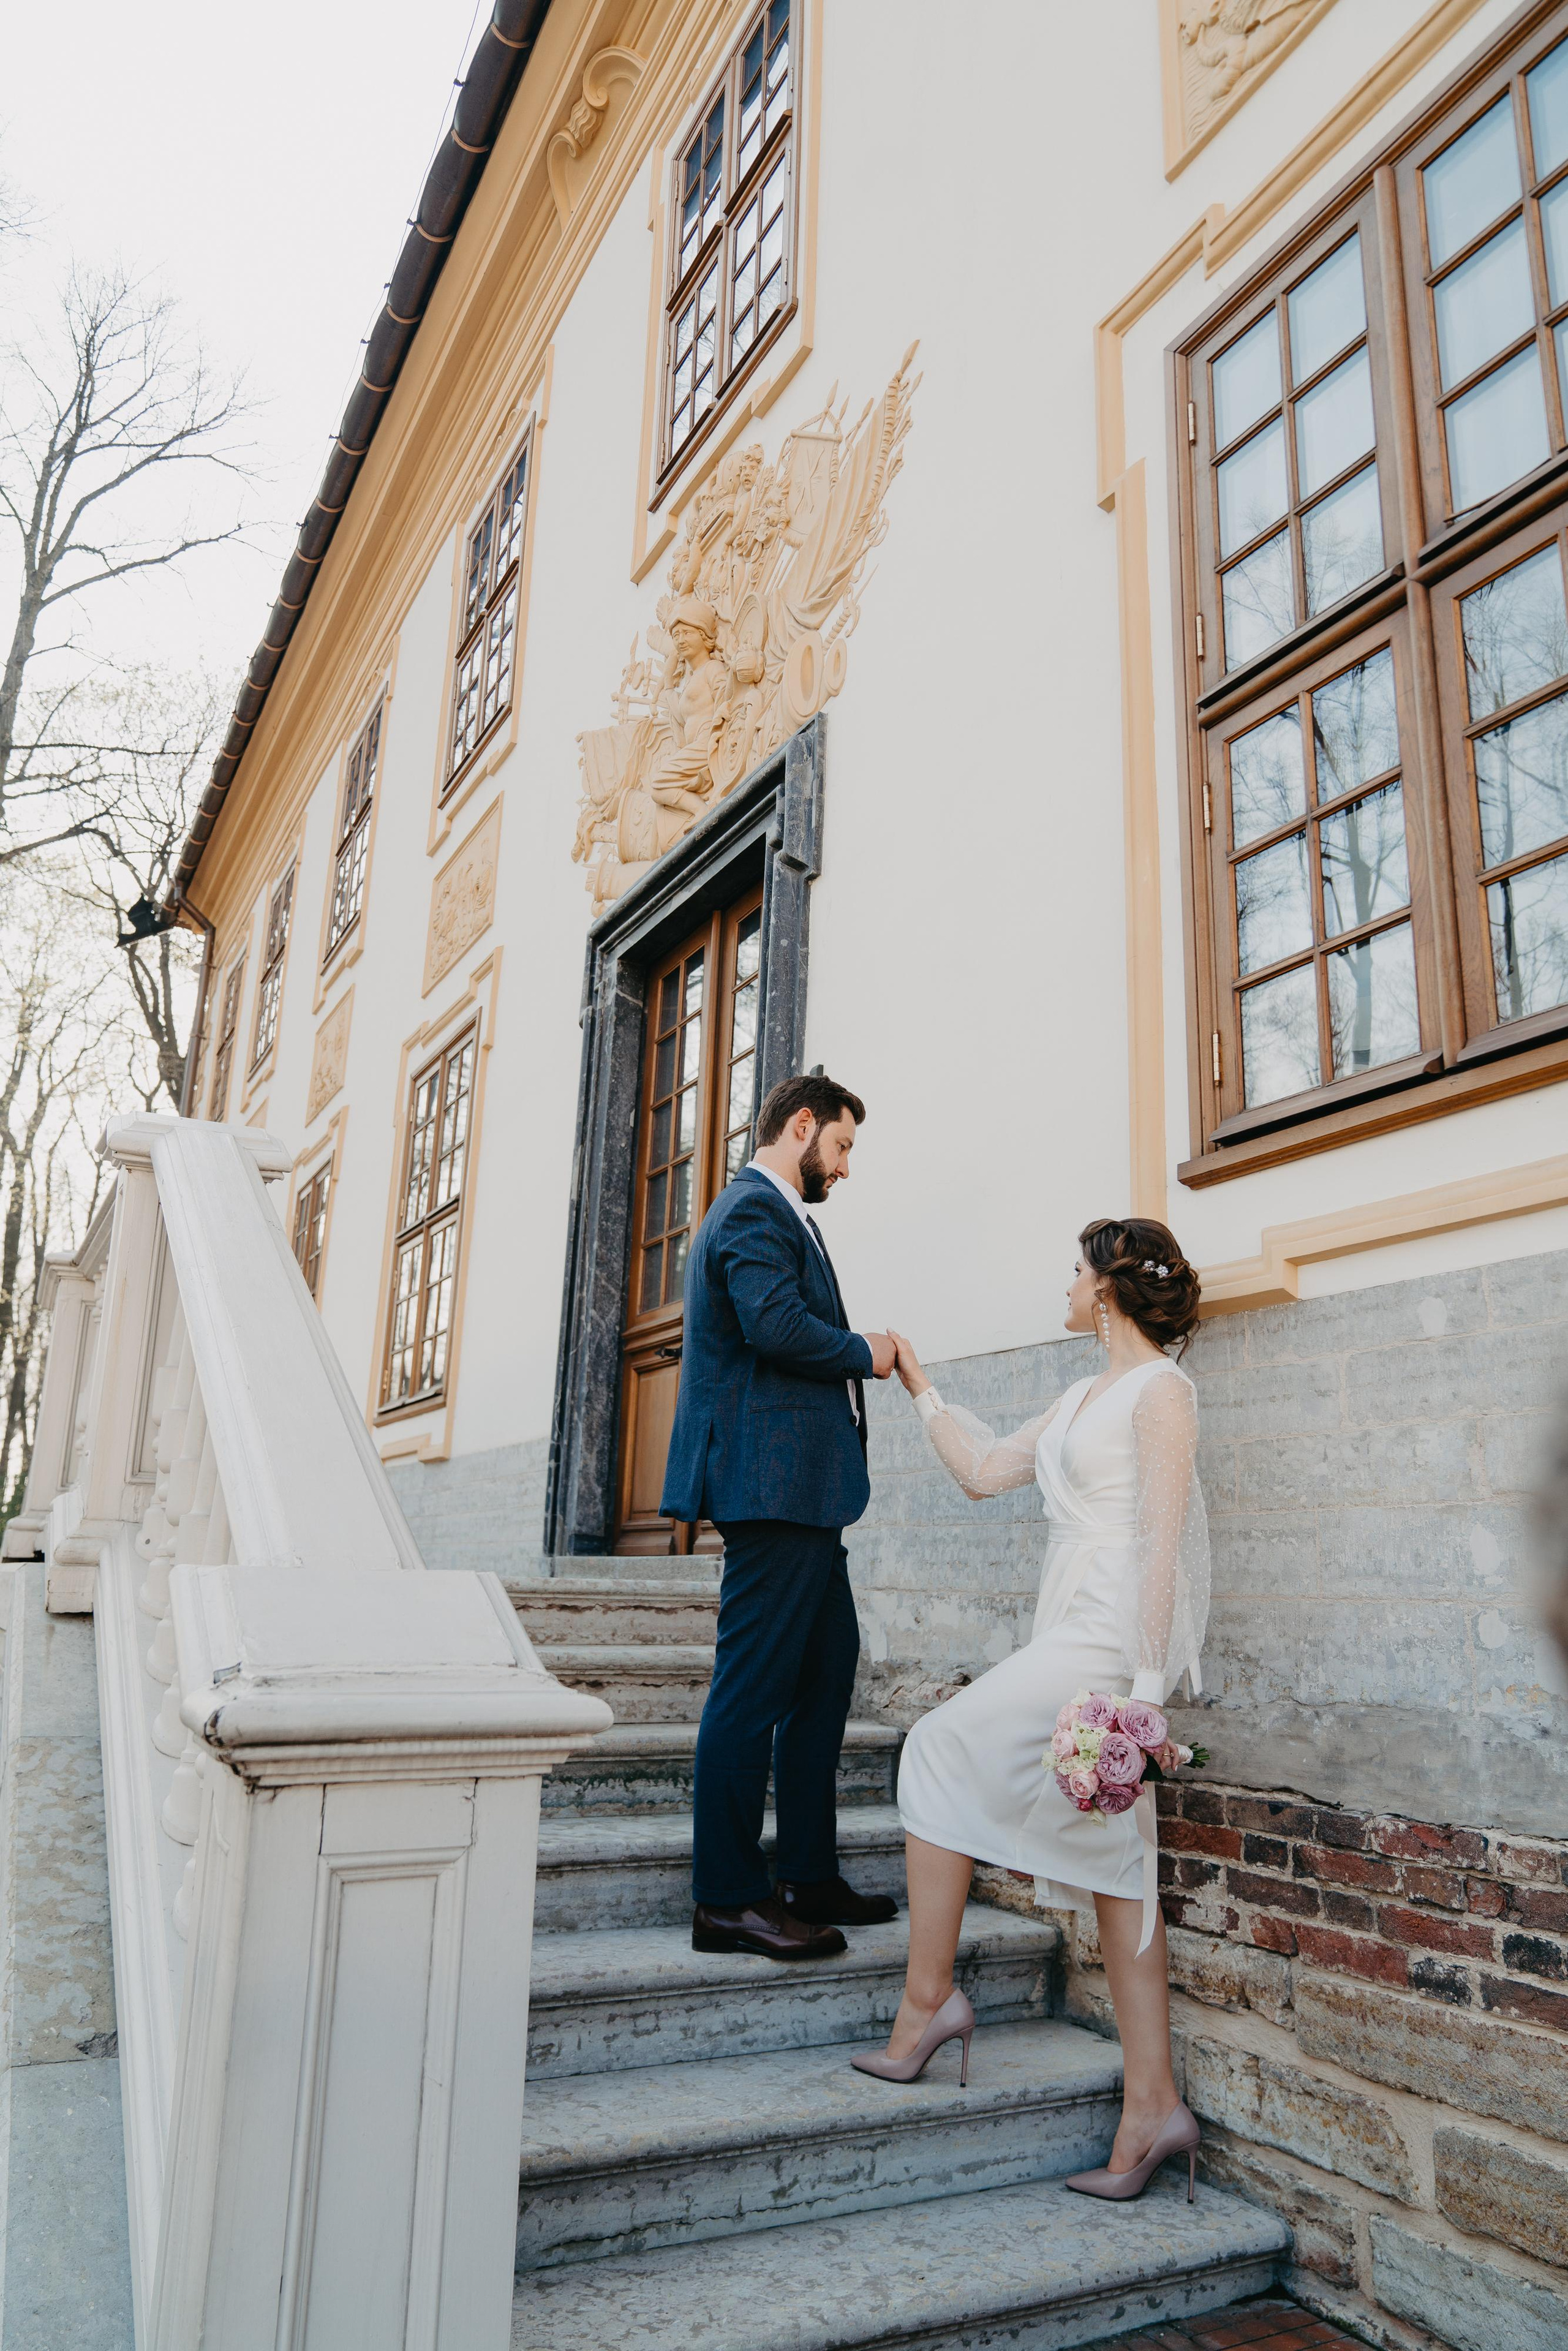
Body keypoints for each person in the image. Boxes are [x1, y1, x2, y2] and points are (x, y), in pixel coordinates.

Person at [850, 1217, 1210, 2207]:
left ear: (1104, 1288)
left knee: (933, 1746)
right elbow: (981, 1473)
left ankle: (928, 2001)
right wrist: (921, 1386)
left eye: (1075, 1269)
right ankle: (1154, 2105)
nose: (1066, 1282)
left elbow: (1162, 1546)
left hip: (1106, 1642)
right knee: (1117, 1862)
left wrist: (1141, 1705)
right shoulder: (1079, 1394)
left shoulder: (1162, 1393)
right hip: (1073, 1624)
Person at [662, 1072, 900, 1961]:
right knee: (751, 1690)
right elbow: (774, 1325)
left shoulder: (779, 1214)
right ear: (801, 1125)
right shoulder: (753, 1210)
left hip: (803, 1489)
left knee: (826, 1669)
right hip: (770, 1487)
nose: (843, 1168)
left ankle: (805, 1871)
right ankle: (727, 1896)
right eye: (839, 1146)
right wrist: (866, 1352)